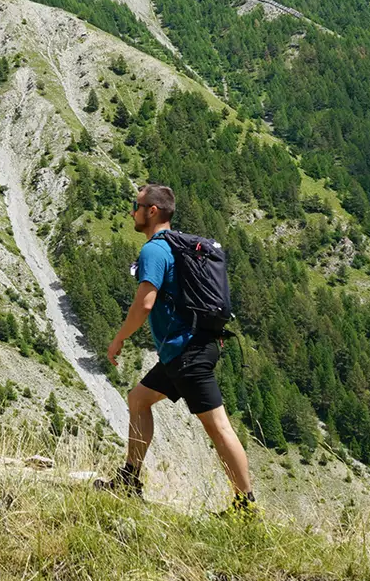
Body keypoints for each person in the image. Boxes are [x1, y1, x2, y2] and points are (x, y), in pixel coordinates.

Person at [94, 182, 257, 515]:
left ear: (152, 211)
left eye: (136, 207)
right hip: (183, 350)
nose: (132, 212)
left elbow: (144, 304)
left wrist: (119, 338)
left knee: (218, 427)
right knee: (138, 399)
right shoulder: (175, 246)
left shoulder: (154, 251)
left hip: (188, 353)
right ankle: (129, 480)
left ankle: (245, 508)